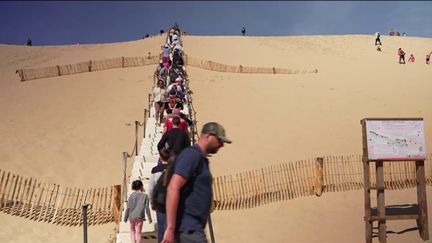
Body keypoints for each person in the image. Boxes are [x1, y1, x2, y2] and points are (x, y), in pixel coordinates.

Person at [162, 122, 232, 243]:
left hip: (193, 229)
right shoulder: (192, 155)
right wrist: (170, 228)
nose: (221, 145)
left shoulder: (200, 158)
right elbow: (173, 188)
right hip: (188, 230)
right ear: (208, 136)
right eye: (219, 140)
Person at [148, 148, 171, 243]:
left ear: (160, 157)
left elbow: (151, 188)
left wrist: (152, 201)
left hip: (160, 201)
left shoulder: (155, 170)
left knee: (161, 227)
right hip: (172, 201)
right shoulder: (175, 168)